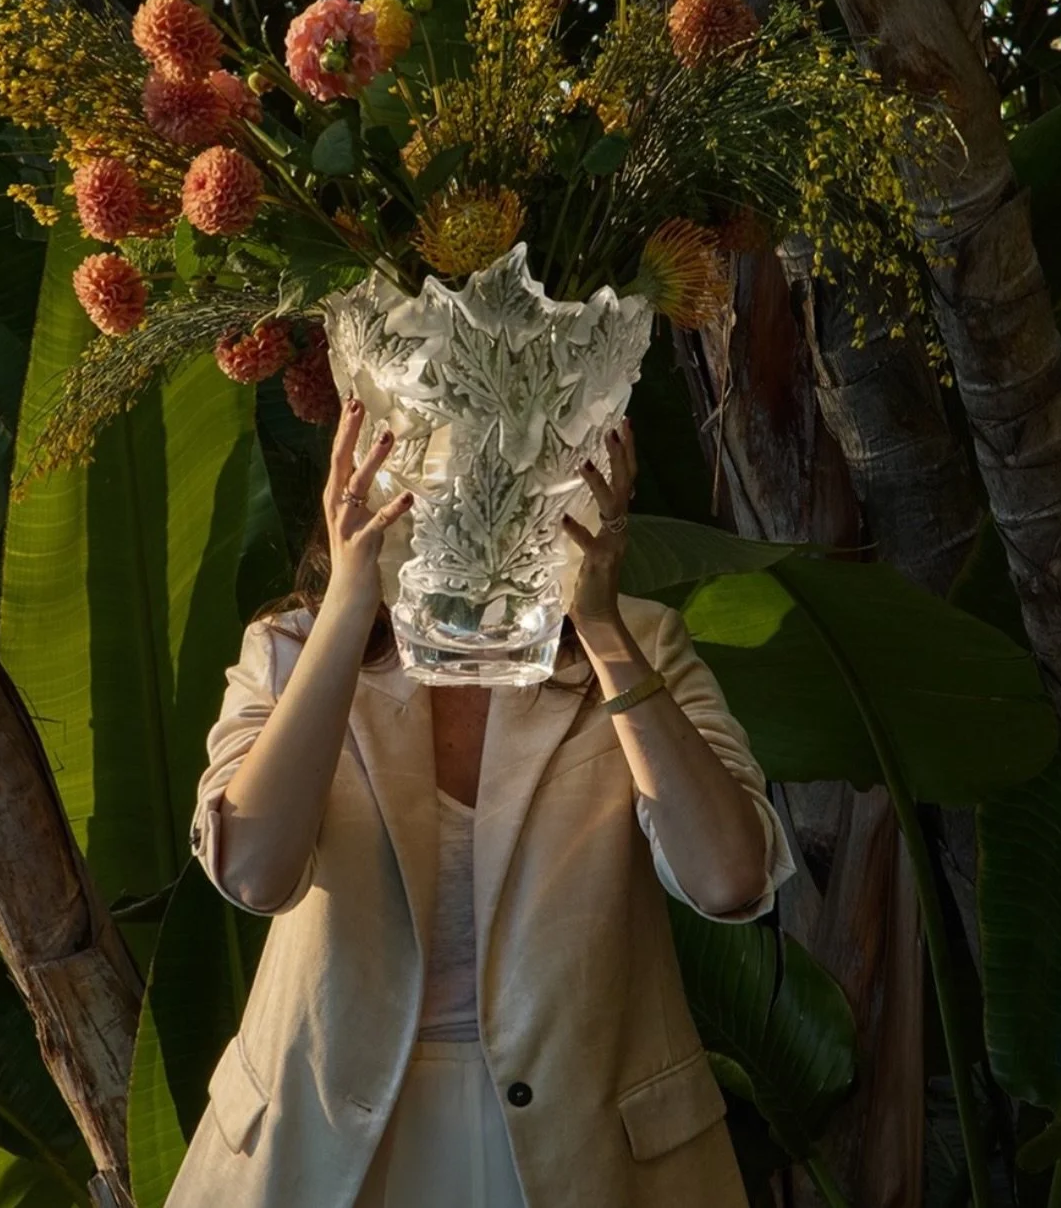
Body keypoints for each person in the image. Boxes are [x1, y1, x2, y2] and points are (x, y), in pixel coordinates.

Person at [165, 394, 795, 1208]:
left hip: (580, 1150)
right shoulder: (288, 651)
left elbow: (729, 877)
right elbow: (254, 874)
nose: (472, 493)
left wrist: (600, 628)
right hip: (325, 1151)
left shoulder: (644, 643)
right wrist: (351, 605)